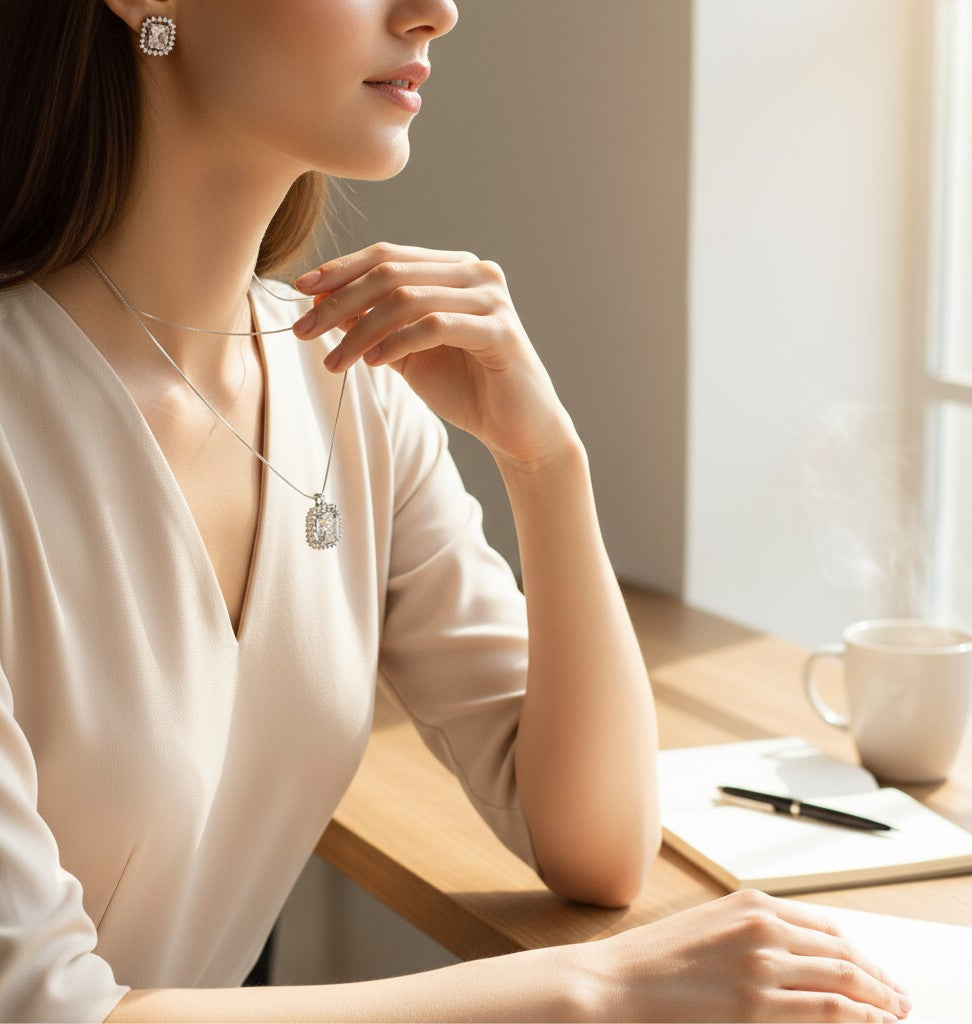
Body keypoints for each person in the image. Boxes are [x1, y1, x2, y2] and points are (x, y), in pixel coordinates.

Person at [0, 2, 912, 1021]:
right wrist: (594, 988)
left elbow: (597, 843)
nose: (434, 10)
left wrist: (545, 459)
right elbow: (45, 1010)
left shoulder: (348, 382)